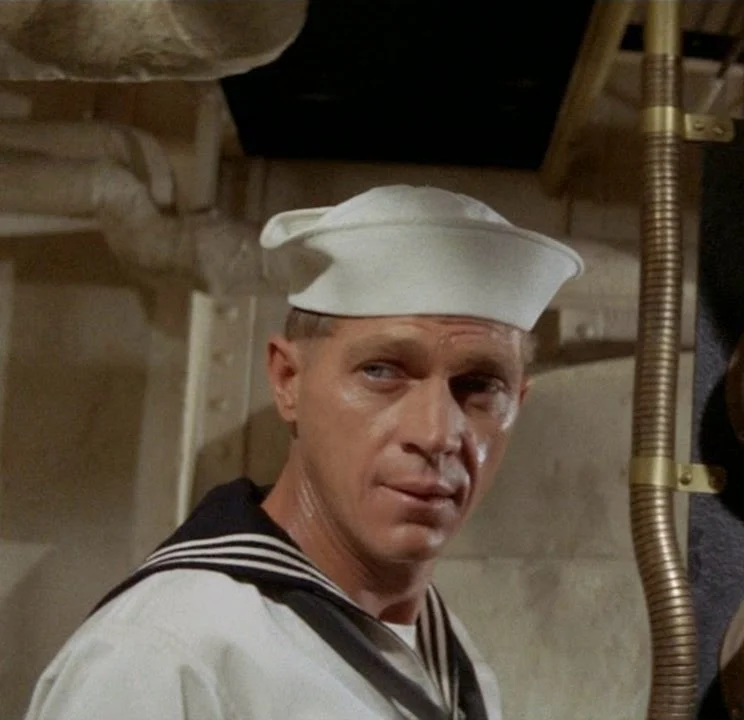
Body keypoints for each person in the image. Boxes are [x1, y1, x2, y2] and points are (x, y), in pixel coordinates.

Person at [22, 184, 585, 719]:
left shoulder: (452, 659)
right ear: (288, 380)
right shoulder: (167, 658)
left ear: (518, 402)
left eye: (480, 385)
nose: (437, 433)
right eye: (382, 371)